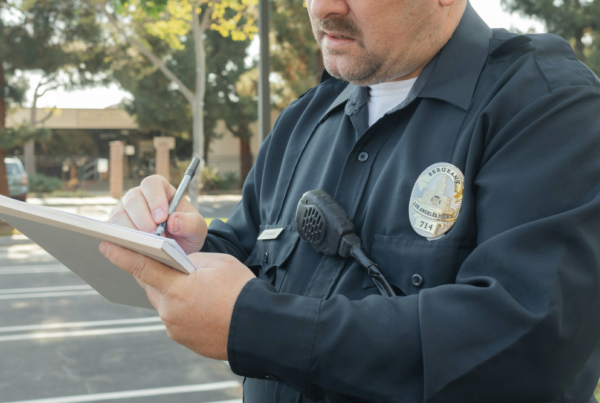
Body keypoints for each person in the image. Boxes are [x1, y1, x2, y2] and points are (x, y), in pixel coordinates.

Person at [100, 0, 600, 401]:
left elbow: (525, 337)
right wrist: (183, 243)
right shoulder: (305, 118)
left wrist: (256, 324)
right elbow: (253, 252)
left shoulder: (548, 106)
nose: (322, 8)